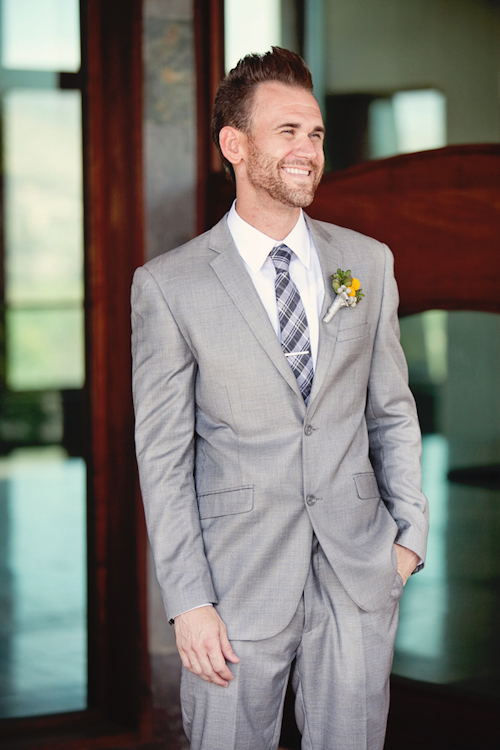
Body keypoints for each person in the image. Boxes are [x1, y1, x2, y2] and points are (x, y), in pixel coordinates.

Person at [131, 47, 428, 750]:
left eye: (316, 134)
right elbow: (164, 457)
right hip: (234, 587)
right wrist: (190, 602)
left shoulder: (367, 264)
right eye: (287, 132)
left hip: (359, 572)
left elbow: (392, 410)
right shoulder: (169, 286)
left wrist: (408, 538)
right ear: (234, 146)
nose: (308, 150)